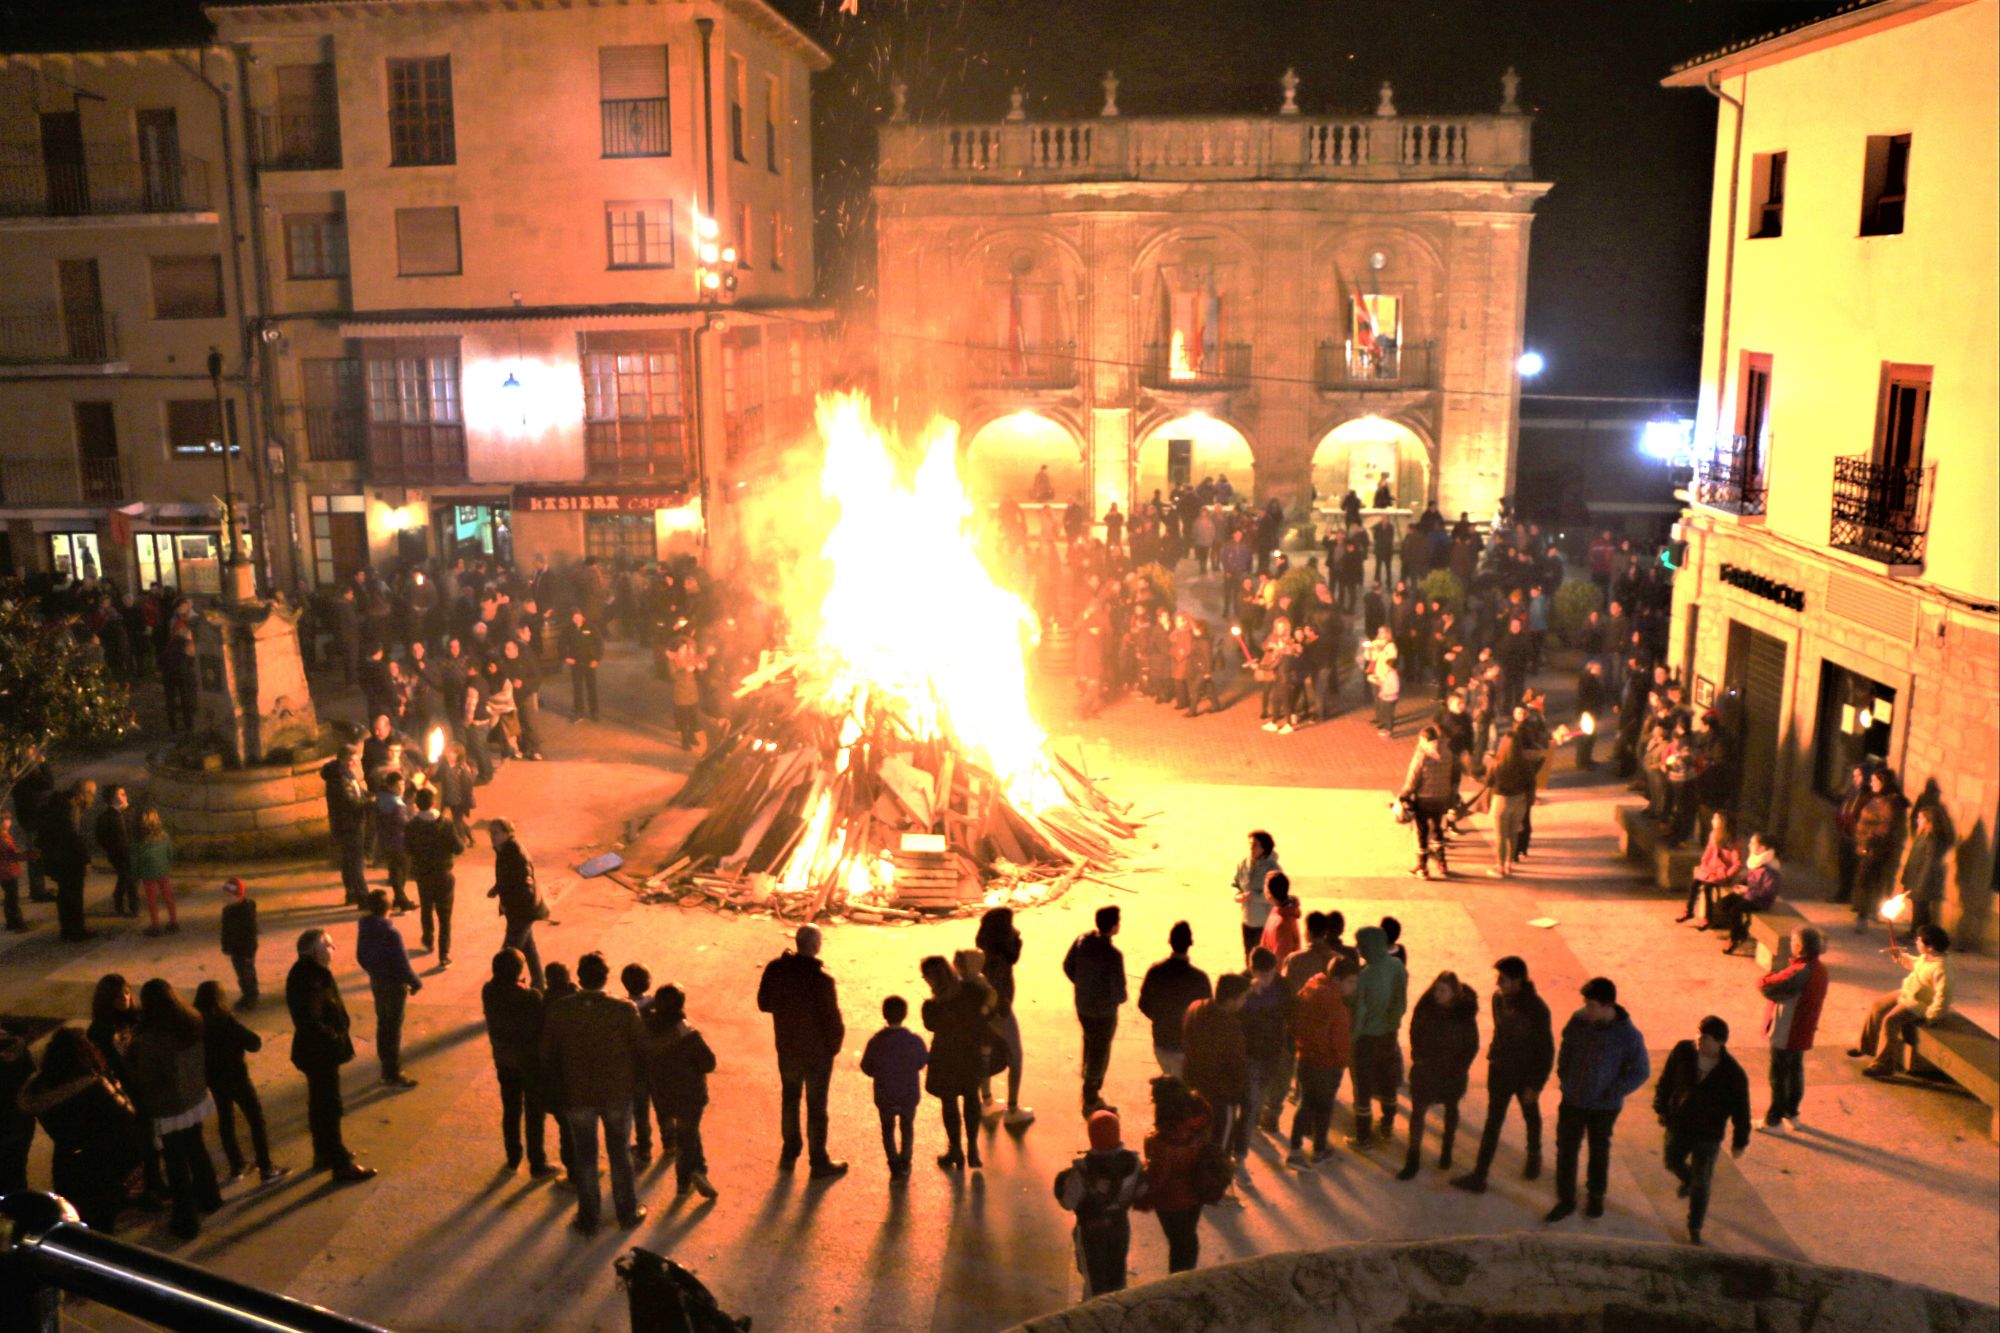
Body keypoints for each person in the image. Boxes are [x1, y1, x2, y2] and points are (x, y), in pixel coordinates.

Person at [541, 952, 647, 1235]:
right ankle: (627, 1211)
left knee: (585, 1155)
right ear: (606, 977)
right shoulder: (623, 1010)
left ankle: (588, 1217)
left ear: (579, 978)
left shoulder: (561, 1009)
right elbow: (641, 1048)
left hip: (577, 1094)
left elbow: (547, 1054)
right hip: (616, 1093)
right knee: (619, 1153)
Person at [17, 1028, 145, 1231]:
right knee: (102, 1217)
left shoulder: (39, 1090)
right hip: (101, 1160)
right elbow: (126, 1114)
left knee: (76, 1215)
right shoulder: (94, 1086)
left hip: (67, 1161)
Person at [1546, 977, 1649, 1223]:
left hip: (1603, 1107)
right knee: (1566, 1150)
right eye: (1586, 1003)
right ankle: (1566, 1199)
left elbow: (1640, 1071)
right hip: (1573, 1099)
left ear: (1608, 1005)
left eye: (1592, 1005)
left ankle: (1595, 1196)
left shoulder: (1628, 1036)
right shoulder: (1579, 1020)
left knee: (1598, 1151)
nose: (1586, 1009)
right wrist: (1564, 1075)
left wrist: (1612, 1092)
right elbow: (1567, 1046)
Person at [126, 979, 222, 1239]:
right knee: (197, 1149)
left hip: (169, 1106)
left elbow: (148, 1078)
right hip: (194, 1097)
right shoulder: (191, 1021)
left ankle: (186, 1219)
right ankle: (210, 1197)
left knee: (176, 1163)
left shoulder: (151, 1038)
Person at [1453, 956, 1554, 1192]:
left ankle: (1534, 1154)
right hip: (1500, 1070)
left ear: (1518, 981)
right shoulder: (1498, 1000)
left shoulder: (1537, 1010)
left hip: (1525, 1074)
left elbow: (1546, 1050)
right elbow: (1500, 1032)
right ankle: (1480, 1174)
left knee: (1530, 1115)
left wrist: (1536, 1085)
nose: (1498, 983)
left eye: (1503, 978)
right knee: (1493, 1122)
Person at [755, 924, 849, 1178]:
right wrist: (832, 1047)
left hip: (787, 1047)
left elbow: (764, 1003)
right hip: (817, 1053)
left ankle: (790, 1152)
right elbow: (832, 1020)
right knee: (817, 1107)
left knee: (790, 1099)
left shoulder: (776, 969)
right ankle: (818, 1161)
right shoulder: (822, 981)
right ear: (816, 946)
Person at [1652, 1015, 1752, 1246]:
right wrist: (1661, 1107)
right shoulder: (1682, 1051)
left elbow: (1741, 1111)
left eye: (1705, 1037)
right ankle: (1687, 1179)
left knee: (1702, 1183)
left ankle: (1694, 1226)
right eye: (1698, 1033)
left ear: (1720, 1042)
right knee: (1671, 1161)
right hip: (1679, 1125)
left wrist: (1740, 1141)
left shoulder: (1732, 1074)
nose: (1698, 1039)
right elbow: (1667, 1080)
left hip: (1708, 1135)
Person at [287, 928, 376, 1183]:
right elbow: (311, 1020)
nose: (333, 949)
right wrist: (335, 1037)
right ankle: (340, 1163)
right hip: (320, 1053)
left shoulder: (305, 972)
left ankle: (323, 1153)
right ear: (316, 951)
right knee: (329, 1106)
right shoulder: (311, 979)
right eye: (329, 945)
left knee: (319, 1104)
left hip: (313, 1052)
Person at [193, 980, 286, 1185]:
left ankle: (237, 1166)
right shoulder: (226, 1022)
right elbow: (254, 1043)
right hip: (237, 1078)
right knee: (256, 1120)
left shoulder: (198, 1025)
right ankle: (266, 1166)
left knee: (226, 1121)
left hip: (215, 1080)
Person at [482, 947, 559, 1177]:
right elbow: (539, 1025)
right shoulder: (530, 996)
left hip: (504, 1060)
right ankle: (537, 1162)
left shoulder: (489, 991)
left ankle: (513, 1157)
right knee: (534, 1112)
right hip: (528, 1061)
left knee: (511, 1109)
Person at [1054, 1109, 1146, 1298]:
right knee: (1117, 1273)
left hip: (1091, 1229)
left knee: (1094, 1279)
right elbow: (1142, 1191)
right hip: (1120, 1225)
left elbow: (1068, 1202)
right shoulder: (1133, 1163)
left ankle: (1096, 1311)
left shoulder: (1084, 1170)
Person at [1398, 971, 1481, 1181]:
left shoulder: (1464, 1015)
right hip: (1426, 1071)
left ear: (1454, 993)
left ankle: (1446, 1151)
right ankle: (1413, 1158)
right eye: (1436, 989)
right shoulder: (1426, 1009)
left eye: (1443, 991)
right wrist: (1418, 1055)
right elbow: (1414, 1030)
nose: (1437, 994)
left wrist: (1459, 1068)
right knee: (1418, 1113)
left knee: (1451, 1110)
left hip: (1451, 1074)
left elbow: (1471, 1045)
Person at [643, 982, 718, 1202]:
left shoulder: (645, 1029)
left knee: (687, 1133)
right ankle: (686, 1180)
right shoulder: (687, 1033)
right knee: (687, 1135)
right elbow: (709, 1063)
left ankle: (696, 1171)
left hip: (661, 1092)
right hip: (690, 1094)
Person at [1850, 924, 1954, 1079]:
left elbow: (1943, 996)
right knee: (1878, 1006)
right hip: (1908, 993)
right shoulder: (1928, 957)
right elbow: (1916, 964)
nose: (1916, 942)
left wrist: (1932, 1016)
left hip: (1919, 1003)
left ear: (1930, 947)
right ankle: (1866, 1046)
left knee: (1890, 1021)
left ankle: (1884, 1065)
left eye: (1919, 940)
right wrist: (1900, 956)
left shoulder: (1942, 968)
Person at [1135, 1076, 1216, 1273]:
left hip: (1171, 1200)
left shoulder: (1164, 1140)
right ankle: (1186, 1276)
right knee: (1188, 1237)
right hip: (1197, 1189)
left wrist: (1140, 1188)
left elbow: (1158, 1178)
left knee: (1179, 1243)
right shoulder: (1199, 1115)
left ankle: (1179, 1280)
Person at [920, 954, 990, 1171]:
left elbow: (931, 1026)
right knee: (971, 1097)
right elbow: (987, 1007)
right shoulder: (972, 992)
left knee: (949, 1102)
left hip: (945, 1056)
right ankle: (973, 1149)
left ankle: (955, 1149)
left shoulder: (931, 1006)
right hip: (970, 1053)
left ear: (931, 978)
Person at [1181, 974, 1250, 1189]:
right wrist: (1238, 1093)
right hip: (1220, 1095)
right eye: (1243, 997)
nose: (1245, 1002)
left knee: (1196, 1138)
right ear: (1231, 1000)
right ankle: (1215, 1188)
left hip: (1193, 1087)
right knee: (1220, 1145)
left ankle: (1194, 1179)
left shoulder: (1195, 1008)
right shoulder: (1230, 1027)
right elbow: (1237, 1066)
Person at [1757, 926, 1828, 1132]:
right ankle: (1792, 1112)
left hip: (1787, 1029)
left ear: (1800, 947)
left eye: (1793, 941)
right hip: (1803, 1029)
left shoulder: (1799, 971)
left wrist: (1766, 977)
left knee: (1779, 1075)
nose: (1791, 944)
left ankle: (1774, 1120)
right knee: (1795, 1071)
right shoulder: (1820, 970)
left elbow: (1767, 987)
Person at [1289, 957, 1359, 1166]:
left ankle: (1295, 1149)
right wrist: (1343, 1061)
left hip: (1306, 1058)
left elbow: (1295, 1020)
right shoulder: (1337, 1006)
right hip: (1327, 1065)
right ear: (1337, 980)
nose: (1354, 987)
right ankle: (1319, 1150)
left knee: (1306, 1104)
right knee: (1324, 1108)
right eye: (1351, 982)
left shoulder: (1310, 989)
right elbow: (1340, 1041)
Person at [1063, 905, 1127, 1116]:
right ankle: (1091, 1097)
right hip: (1104, 1012)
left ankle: (1088, 1079)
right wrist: (1116, 999)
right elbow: (1119, 990)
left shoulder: (1082, 941)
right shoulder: (1113, 955)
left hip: (1083, 1006)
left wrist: (1082, 985)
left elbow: (1067, 965)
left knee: (1090, 1041)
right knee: (1100, 1051)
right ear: (1114, 926)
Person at [1348, 924, 1408, 1150]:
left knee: (1362, 1087)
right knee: (1387, 1082)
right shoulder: (1397, 966)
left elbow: (1359, 1013)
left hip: (1366, 1040)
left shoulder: (1364, 976)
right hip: (1389, 1035)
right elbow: (1401, 1002)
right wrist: (1393, 1023)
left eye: (1361, 945)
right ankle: (1387, 1126)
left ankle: (1363, 1137)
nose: (1359, 949)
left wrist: (1352, 1040)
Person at [355, 891, 422, 1089]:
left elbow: (360, 956)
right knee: (393, 1028)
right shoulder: (391, 934)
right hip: (394, 984)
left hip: (377, 982)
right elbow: (402, 964)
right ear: (389, 908)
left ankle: (385, 1064)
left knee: (383, 1022)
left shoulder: (365, 928)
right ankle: (392, 1072)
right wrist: (415, 982)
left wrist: (374, 971)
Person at [974, 907, 1033, 1127]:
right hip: (1000, 1012)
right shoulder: (1000, 959)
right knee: (1015, 1057)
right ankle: (1013, 1109)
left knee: (985, 1053)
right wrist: (1002, 1011)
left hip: (984, 1014)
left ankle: (987, 1101)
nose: (1015, 930)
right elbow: (998, 987)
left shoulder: (985, 952)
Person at [860, 995, 929, 1180]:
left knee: (887, 1129)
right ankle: (905, 1161)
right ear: (905, 1014)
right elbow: (923, 1061)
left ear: (884, 1014)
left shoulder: (876, 1042)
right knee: (907, 1127)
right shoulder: (914, 1040)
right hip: (908, 1095)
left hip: (885, 1095)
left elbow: (866, 1067)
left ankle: (893, 1163)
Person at [1137, 921, 1212, 1078]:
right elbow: (1208, 1014)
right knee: (1182, 1084)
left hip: (1162, 1040)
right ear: (1190, 943)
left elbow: (1143, 1004)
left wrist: (1159, 1018)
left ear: (1170, 942)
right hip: (1186, 1045)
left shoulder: (1155, 971)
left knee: (1169, 1077)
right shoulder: (1200, 978)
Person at [405, 786, 467, 969]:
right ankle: (444, 954)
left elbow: (408, 849)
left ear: (417, 804)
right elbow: (458, 848)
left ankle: (428, 937)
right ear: (433, 802)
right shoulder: (445, 824)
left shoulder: (412, 826)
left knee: (426, 907)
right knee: (444, 915)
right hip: (443, 873)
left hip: (423, 874)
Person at [1239, 948, 1289, 1140]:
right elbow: (1233, 1014)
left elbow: (1289, 1011)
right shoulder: (1241, 983)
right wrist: (1249, 993)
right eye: (1263, 975)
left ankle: (1260, 1118)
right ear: (1252, 970)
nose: (1268, 979)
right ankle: (1250, 1126)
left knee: (1268, 1088)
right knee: (1253, 1093)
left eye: (1270, 974)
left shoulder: (1282, 985)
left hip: (1273, 1048)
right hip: (1249, 1050)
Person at [488, 820, 545, 989]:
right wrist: (497, 888)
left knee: (508, 954)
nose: (492, 836)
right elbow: (508, 877)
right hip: (518, 910)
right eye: (491, 833)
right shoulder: (505, 850)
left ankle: (503, 989)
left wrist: (511, 904)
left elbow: (524, 884)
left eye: (496, 832)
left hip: (521, 911)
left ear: (507, 833)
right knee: (528, 948)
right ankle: (539, 983)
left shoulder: (514, 853)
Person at [1400, 725, 1458, 879]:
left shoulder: (1422, 756)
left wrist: (1403, 796)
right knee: (1437, 829)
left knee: (1422, 832)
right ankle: (1442, 863)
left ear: (1424, 739)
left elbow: (1413, 780)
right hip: (1441, 799)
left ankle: (1422, 868)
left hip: (1424, 800)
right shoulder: (1447, 753)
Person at [38, 780, 93, 942]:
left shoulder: (60, 803)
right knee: (74, 895)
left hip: (57, 857)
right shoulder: (71, 807)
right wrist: (85, 859)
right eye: (92, 794)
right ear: (84, 793)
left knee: (65, 894)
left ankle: (67, 929)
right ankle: (76, 931)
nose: (92, 798)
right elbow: (74, 836)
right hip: (69, 858)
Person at [1713, 832, 1783, 954]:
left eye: (1752, 843)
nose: (1749, 845)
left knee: (1735, 910)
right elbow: (1750, 878)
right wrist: (1741, 885)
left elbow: (1768, 892)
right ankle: (1741, 932)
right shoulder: (1756, 860)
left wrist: (1747, 890)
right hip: (1749, 894)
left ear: (1762, 848)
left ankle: (1734, 939)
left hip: (1760, 901)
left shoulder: (1770, 868)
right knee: (1723, 904)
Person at [322, 745, 372, 908]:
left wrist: (369, 795)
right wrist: (370, 802)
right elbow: (351, 802)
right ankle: (363, 897)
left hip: (347, 823)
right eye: (352, 760)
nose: (354, 764)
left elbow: (358, 792)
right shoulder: (339, 778)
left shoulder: (345, 774)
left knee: (348, 861)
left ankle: (351, 894)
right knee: (356, 861)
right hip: (349, 824)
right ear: (344, 759)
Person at [1675, 811, 1745, 926]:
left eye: (1715, 819)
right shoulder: (1714, 834)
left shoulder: (1734, 841)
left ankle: (1708, 917)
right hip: (1712, 868)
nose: (1712, 821)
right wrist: (1704, 863)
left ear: (1723, 822)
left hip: (1723, 872)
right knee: (1696, 882)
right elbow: (1709, 850)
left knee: (1708, 887)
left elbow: (1738, 863)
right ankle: (1689, 911)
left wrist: (1726, 875)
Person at [1898, 806, 1948, 942]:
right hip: (1915, 878)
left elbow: (1929, 863)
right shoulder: (1922, 835)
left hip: (1923, 881)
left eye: (1921, 818)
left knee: (1921, 910)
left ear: (1928, 821)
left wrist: (1921, 884)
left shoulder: (1932, 839)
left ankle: (1919, 935)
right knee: (1918, 908)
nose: (1918, 820)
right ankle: (1917, 933)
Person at [1231, 830, 1280, 963]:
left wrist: (1253, 896)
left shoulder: (1273, 868)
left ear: (1264, 848)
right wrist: (1237, 896)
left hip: (1264, 923)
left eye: (1255, 845)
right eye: (1250, 844)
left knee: (1262, 959)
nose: (1251, 848)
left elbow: (1276, 895)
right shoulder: (1243, 864)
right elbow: (1235, 884)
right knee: (1248, 956)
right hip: (1247, 920)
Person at [373, 772, 417, 914]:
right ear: (390, 786)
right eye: (398, 786)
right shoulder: (395, 803)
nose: (401, 788)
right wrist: (413, 814)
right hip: (398, 841)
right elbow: (404, 823)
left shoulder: (382, 797)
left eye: (403, 785)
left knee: (396, 869)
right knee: (401, 869)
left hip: (387, 840)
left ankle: (399, 898)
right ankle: (401, 899)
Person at [94, 785, 137, 918]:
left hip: (130, 852)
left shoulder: (127, 813)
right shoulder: (107, 817)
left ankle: (129, 905)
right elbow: (101, 836)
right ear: (113, 798)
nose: (125, 796)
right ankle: (130, 906)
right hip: (118, 854)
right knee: (128, 877)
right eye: (122, 794)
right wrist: (112, 848)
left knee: (129, 878)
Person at [219, 877, 260, 1006]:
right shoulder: (227, 910)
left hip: (245, 948)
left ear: (239, 896)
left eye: (229, 896)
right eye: (225, 895)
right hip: (234, 948)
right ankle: (248, 993)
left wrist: (249, 948)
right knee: (241, 972)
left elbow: (251, 931)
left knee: (246, 972)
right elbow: (225, 929)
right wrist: (225, 945)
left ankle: (251, 995)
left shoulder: (246, 910)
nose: (226, 898)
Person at [561, 609, 602, 722]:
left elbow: (599, 643)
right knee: (577, 687)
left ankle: (594, 711)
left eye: (578, 617)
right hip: (576, 662)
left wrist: (596, 659)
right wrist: (566, 657)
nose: (576, 619)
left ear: (582, 616)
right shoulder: (568, 629)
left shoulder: (591, 627)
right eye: (574, 618)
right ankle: (579, 711)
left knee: (591, 687)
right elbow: (561, 643)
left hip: (589, 662)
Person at [1258, 872, 1301, 961]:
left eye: (1265, 886)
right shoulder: (1277, 911)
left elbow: (1282, 959)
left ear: (1269, 893)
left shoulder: (1282, 923)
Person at [0, 809, 23, 932]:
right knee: (13, 898)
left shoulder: (5, 836)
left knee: (9, 897)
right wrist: (23, 854)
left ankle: (11, 921)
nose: (9, 822)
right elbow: (11, 853)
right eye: (6, 819)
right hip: (8, 871)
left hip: (4, 872)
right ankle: (17, 922)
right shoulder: (3, 838)